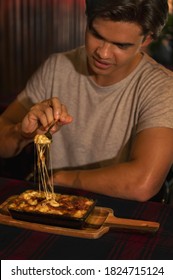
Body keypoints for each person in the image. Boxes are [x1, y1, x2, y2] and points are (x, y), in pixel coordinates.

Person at [0, 0, 173, 202]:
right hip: (53, 204)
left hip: (118, 210)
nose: (103, 53)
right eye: (97, 35)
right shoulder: (58, 67)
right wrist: (22, 132)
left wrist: (60, 178)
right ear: (88, 21)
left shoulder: (163, 87)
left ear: (147, 39)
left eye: (121, 45)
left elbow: (143, 184)